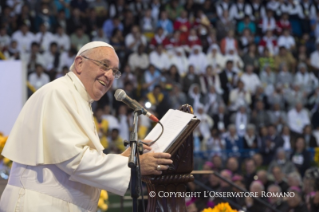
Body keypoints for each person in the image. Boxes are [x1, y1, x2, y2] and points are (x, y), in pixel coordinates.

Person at [0, 42, 172, 211]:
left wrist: (124, 159)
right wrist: (135, 166)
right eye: (104, 65)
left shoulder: (78, 99)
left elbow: (74, 158)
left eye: (114, 71)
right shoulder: (59, 93)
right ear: (79, 63)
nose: (110, 75)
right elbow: (74, 160)